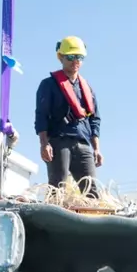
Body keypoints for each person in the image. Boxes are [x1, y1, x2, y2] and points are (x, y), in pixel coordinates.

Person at [35, 36, 103, 194]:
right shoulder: (48, 85)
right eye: (71, 57)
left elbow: (94, 119)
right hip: (59, 142)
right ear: (60, 57)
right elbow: (41, 116)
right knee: (58, 188)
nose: (75, 61)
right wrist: (44, 143)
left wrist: (97, 148)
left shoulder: (87, 88)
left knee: (92, 191)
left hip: (83, 143)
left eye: (79, 57)